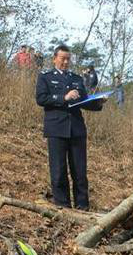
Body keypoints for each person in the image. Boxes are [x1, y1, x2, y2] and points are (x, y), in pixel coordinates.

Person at [35, 44, 106, 211]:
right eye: (63, 59)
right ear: (55, 59)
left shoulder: (76, 78)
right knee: (58, 171)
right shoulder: (45, 77)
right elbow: (41, 98)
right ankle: (63, 206)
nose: (66, 62)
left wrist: (98, 103)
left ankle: (82, 206)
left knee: (79, 172)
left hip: (76, 130)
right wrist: (63, 97)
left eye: (68, 59)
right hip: (56, 129)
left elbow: (84, 102)